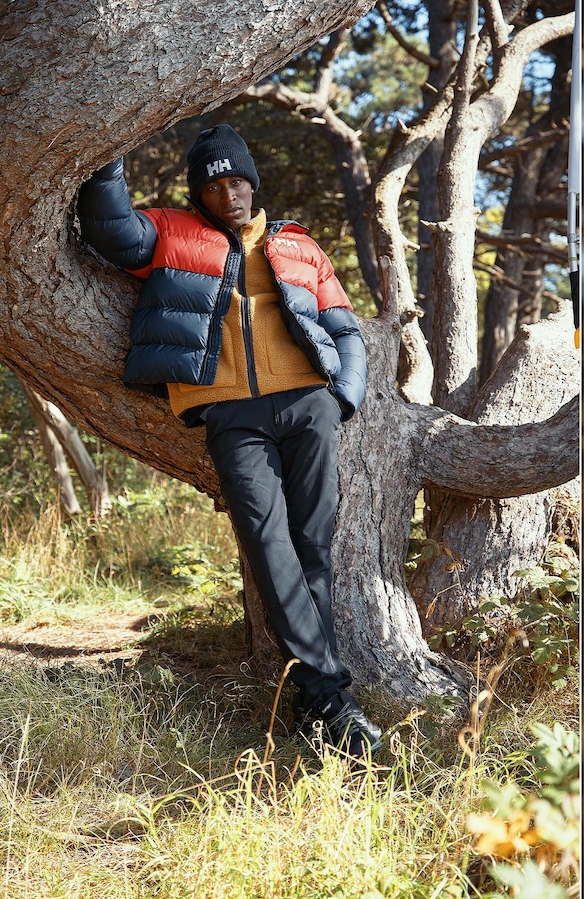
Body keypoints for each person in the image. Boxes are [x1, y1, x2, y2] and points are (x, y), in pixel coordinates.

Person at [75, 124, 380, 755]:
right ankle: (333, 697)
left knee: (313, 548)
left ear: (253, 183)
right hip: (231, 413)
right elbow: (111, 233)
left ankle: (314, 705)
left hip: (308, 405)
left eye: (237, 180)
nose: (229, 193)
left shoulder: (298, 246)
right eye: (214, 185)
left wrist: (342, 396)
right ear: (199, 194)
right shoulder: (172, 232)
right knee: (270, 548)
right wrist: (105, 154)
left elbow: (344, 326)